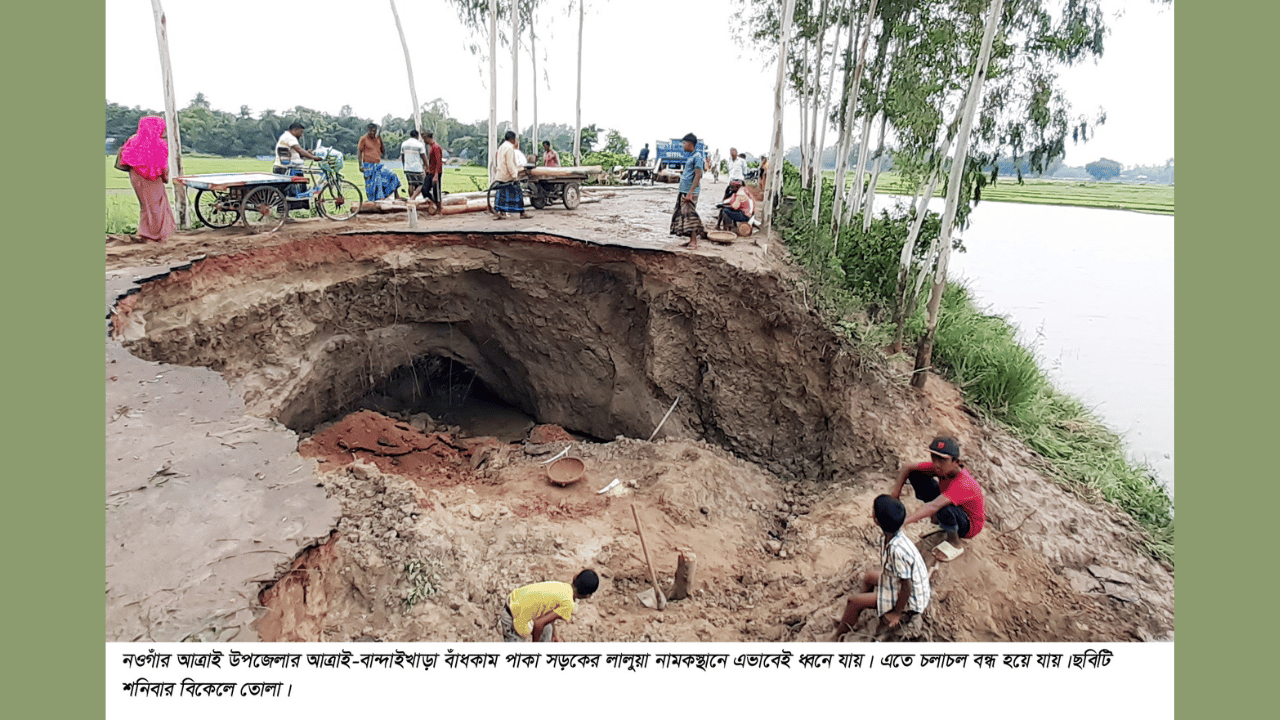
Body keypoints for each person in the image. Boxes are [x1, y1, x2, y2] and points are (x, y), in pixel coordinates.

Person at [832, 495, 931, 640]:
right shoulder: (894, 537)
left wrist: (896, 613)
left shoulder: (897, 550)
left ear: (876, 520)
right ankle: (857, 614)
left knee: (853, 601)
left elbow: (907, 586)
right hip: (904, 585)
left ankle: (839, 634)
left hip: (910, 600)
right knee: (869, 577)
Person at [889, 435, 986, 548]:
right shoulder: (944, 469)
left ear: (956, 462)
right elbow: (908, 467)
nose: (936, 464)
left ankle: (954, 543)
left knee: (944, 508)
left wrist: (903, 522)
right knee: (916, 475)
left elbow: (933, 506)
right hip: (955, 508)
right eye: (933, 458)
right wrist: (894, 496)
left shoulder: (963, 483)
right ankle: (940, 522)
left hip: (969, 525)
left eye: (942, 460)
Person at [115, 116, 176, 242]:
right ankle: (156, 235)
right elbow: (162, 165)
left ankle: (145, 232)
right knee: (158, 205)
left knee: (145, 205)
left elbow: (125, 157)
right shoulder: (160, 144)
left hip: (136, 176)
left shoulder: (133, 140)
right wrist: (165, 178)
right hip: (153, 178)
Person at [499, 569, 599, 642]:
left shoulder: (561, 587)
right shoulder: (568, 605)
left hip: (513, 604)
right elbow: (538, 624)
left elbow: (548, 615)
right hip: (512, 618)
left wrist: (555, 635)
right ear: (587, 596)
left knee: (548, 628)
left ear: (575, 577)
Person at [669, 132, 707, 248]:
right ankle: (691, 239)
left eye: (684, 143)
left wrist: (690, 193)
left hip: (690, 192)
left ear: (690, 143)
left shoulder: (698, 157)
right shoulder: (692, 156)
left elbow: (697, 175)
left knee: (691, 216)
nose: (683, 146)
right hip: (685, 190)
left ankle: (694, 241)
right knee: (684, 215)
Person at [357, 123, 402, 201]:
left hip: (378, 165)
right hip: (368, 165)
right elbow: (360, 152)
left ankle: (396, 195)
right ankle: (373, 201)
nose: (373, 133)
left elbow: (383, 150)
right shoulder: (363, 139)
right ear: (368, 131)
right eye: (371, 131)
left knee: (392, 175)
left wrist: (380, 139)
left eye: (374, 131)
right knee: (372, 184)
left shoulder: (378, 138)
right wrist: (360, 165)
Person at [493, 130, 530, 219]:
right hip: (507, 176)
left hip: (500, 175)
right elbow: (510, 164)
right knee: (518, 193)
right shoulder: (509, 148)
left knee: (501, 194)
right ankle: (521, 212)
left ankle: (499, 213)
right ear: (513, 139)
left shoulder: (501, 147)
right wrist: (514, 175)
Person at [400, 129, 428, 201]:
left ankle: (411, 198)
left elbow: (402, 156)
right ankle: (413, 198)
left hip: (407, 167)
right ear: (417, 136)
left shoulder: (404, 144)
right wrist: (427, 166)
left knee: (411, 184)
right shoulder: (419, 144)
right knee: (422, 183)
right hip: (417, 167)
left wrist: (404, 165)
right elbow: (423, 157)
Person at [424, 131, 444, 205]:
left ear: (428, 138)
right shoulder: (431, 147)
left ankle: (438, 208)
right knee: (424, 189)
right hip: (430, 172)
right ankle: (433, 204)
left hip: (436, 172)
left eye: (424, 139)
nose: (424, 141)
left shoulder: (436, 147)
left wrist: (436, 175)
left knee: (436, 192)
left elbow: (438, 161)